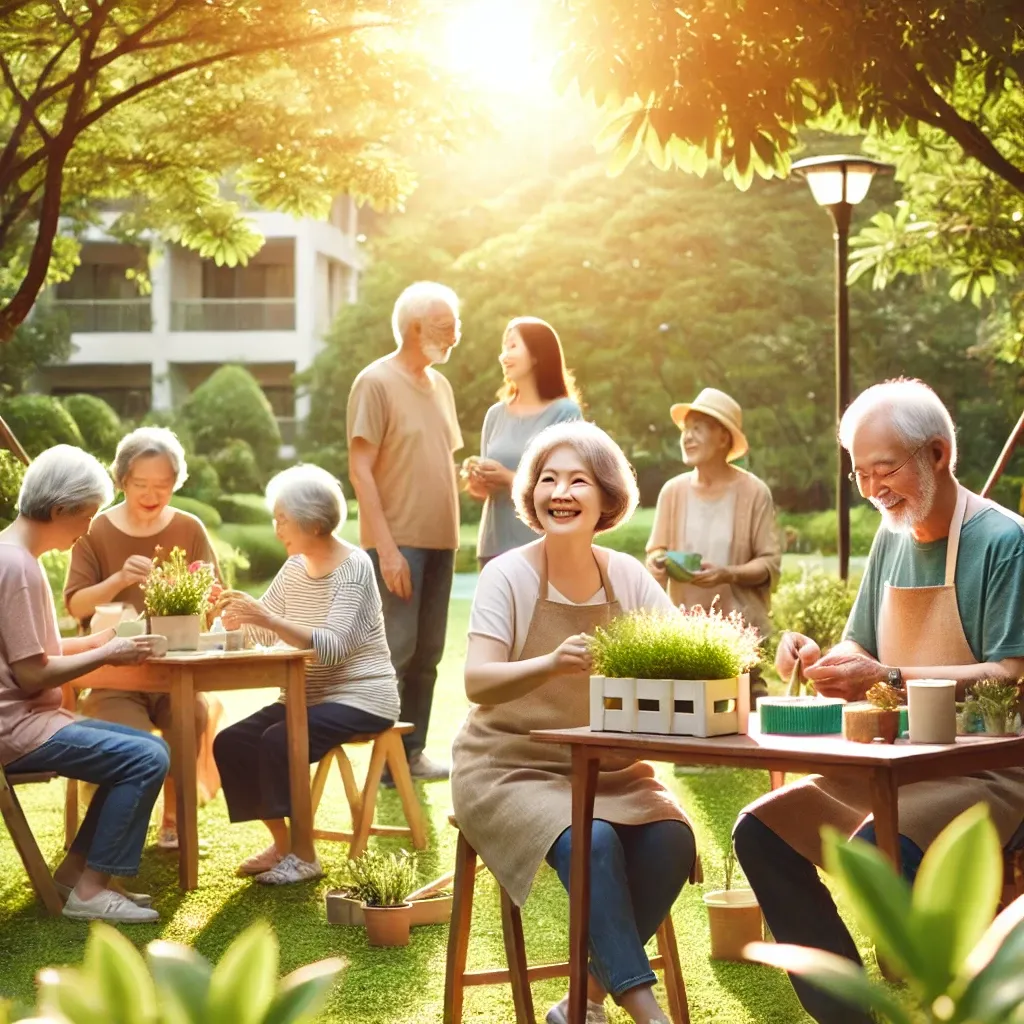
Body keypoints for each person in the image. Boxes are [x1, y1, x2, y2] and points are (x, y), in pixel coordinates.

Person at [732, 379, 1024, 1024]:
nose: (872, 490)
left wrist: (884, 671)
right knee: (760, 831)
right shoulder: (891, 535)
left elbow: (1011, 670)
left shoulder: (1006, 542)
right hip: (890, 764)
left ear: (939, 455)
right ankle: (848, 1019)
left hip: (986, 769)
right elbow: (857, 645)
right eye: (859, 474)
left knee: (874, 852)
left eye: (885, 469)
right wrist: (816, 656)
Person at [452, 422, 696, 1024]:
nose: (558, 491)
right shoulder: (507, 575)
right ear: (532, 494)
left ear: (606, 498)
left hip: (606, 768)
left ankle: (581, 1001)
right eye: (547, 479)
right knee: (595, 838)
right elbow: (476, 681)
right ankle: (646, 1011)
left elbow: (691, 650)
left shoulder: (627, 576)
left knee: (673, 837)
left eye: (577, 480)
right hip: (507, 766)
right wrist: (548, 663)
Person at [1, 445, 168, 922]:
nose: (88, 528)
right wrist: (107, 653)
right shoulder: (16, 566)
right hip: (15, 727)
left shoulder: (15, 556)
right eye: (87, 515)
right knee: (145, 756)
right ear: (60, 509)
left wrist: (107, 636)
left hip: (28, 719)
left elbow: (41, 651)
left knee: (141, 748)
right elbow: (32, 674)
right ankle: (92, 893)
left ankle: (76, 876)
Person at [213, 465, 400, 884]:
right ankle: (282, 843)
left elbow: (331, 648)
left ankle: (306, 855)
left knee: (280, 739)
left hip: (363, 697)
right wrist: (238, 616)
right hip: (303, 697)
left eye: (282, 519)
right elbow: (266, 628)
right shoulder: (296, 567)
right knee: (232, 741)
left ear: (313, 523)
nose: (276, 528)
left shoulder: (354, 568)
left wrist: (265, 616)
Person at [64, 426, 221, 850]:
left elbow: (215, 604)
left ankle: (173, 821)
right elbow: (76, 606)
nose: (152, 495)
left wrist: (205, 595)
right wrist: (117, 580)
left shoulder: (189, 528)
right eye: (141, 485)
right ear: (121, 481)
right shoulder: (95, 530)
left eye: (163, 485)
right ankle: (112, 833)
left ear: (176, 482)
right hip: (116, 676)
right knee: (126, 741)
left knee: (189, 718)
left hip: (178, 674)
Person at [347, 281, 463, 783]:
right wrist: (387, 549)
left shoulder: (441, 387)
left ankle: (411, 755)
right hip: (398, 544)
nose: (455, 335)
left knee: (428, 655)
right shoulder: (374, 381)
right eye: (445, 326)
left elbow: (435, 461)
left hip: (443, 541)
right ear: (415, 327)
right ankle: (386, 762)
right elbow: (360, 469)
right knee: (396, 652)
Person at [646, 387, 780, 638]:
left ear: (723, 438)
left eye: (698, 428)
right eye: (686, 429)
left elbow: (768, 564)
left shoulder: (754, 492)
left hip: (740, 637)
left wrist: (726, 574)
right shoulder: (672, 491)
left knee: (742, 680)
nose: (687, 437)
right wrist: (658, 561)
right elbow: (657, 551)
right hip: (682, 634)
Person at [464, 316, 583, 569]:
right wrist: (478, 480)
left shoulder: (564, 412)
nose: (503, 355)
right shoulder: (495, 414)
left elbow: (566, 486)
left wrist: (508, 477)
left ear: (537, 354)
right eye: (504, 347)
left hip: (543, 547)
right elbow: (482, 493)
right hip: (494, 548)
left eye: (513, 346)